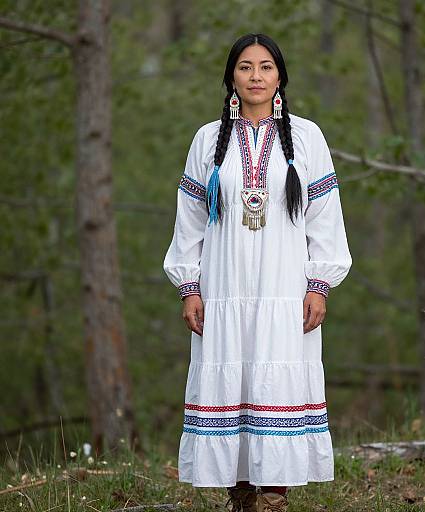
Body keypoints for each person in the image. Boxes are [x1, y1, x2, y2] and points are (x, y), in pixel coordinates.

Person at [163, 33, 352, 512]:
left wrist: (319, 285)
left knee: (275, 383)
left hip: (284, 289)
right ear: (231, 77)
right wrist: (190, 288)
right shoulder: (207, 140)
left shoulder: (307, 137)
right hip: (223, 287)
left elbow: (324, 218)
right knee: (235, 383)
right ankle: (240, 496)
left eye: (265, 67)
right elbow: (189, 222)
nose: (255, 76)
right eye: (245, 67)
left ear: (280, 77)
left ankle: (275, 498)